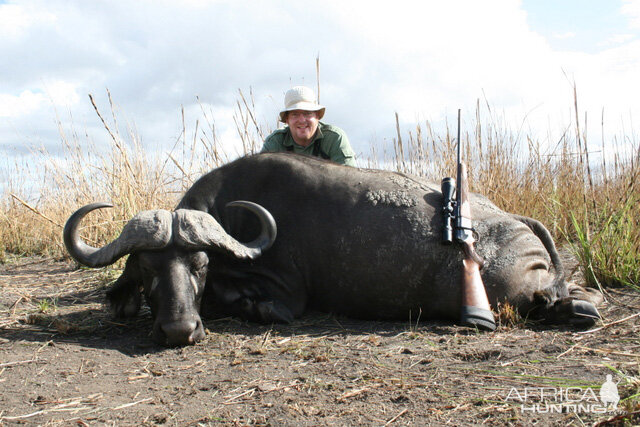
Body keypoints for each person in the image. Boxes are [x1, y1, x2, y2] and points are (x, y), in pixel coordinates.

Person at [261, 86, 356, 166]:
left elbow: (350, 181)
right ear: (287, 120)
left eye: (307, 113)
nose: (302, 120)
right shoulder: (275, 143)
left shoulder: (335, 138)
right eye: (295, 114)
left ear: (317, 116)